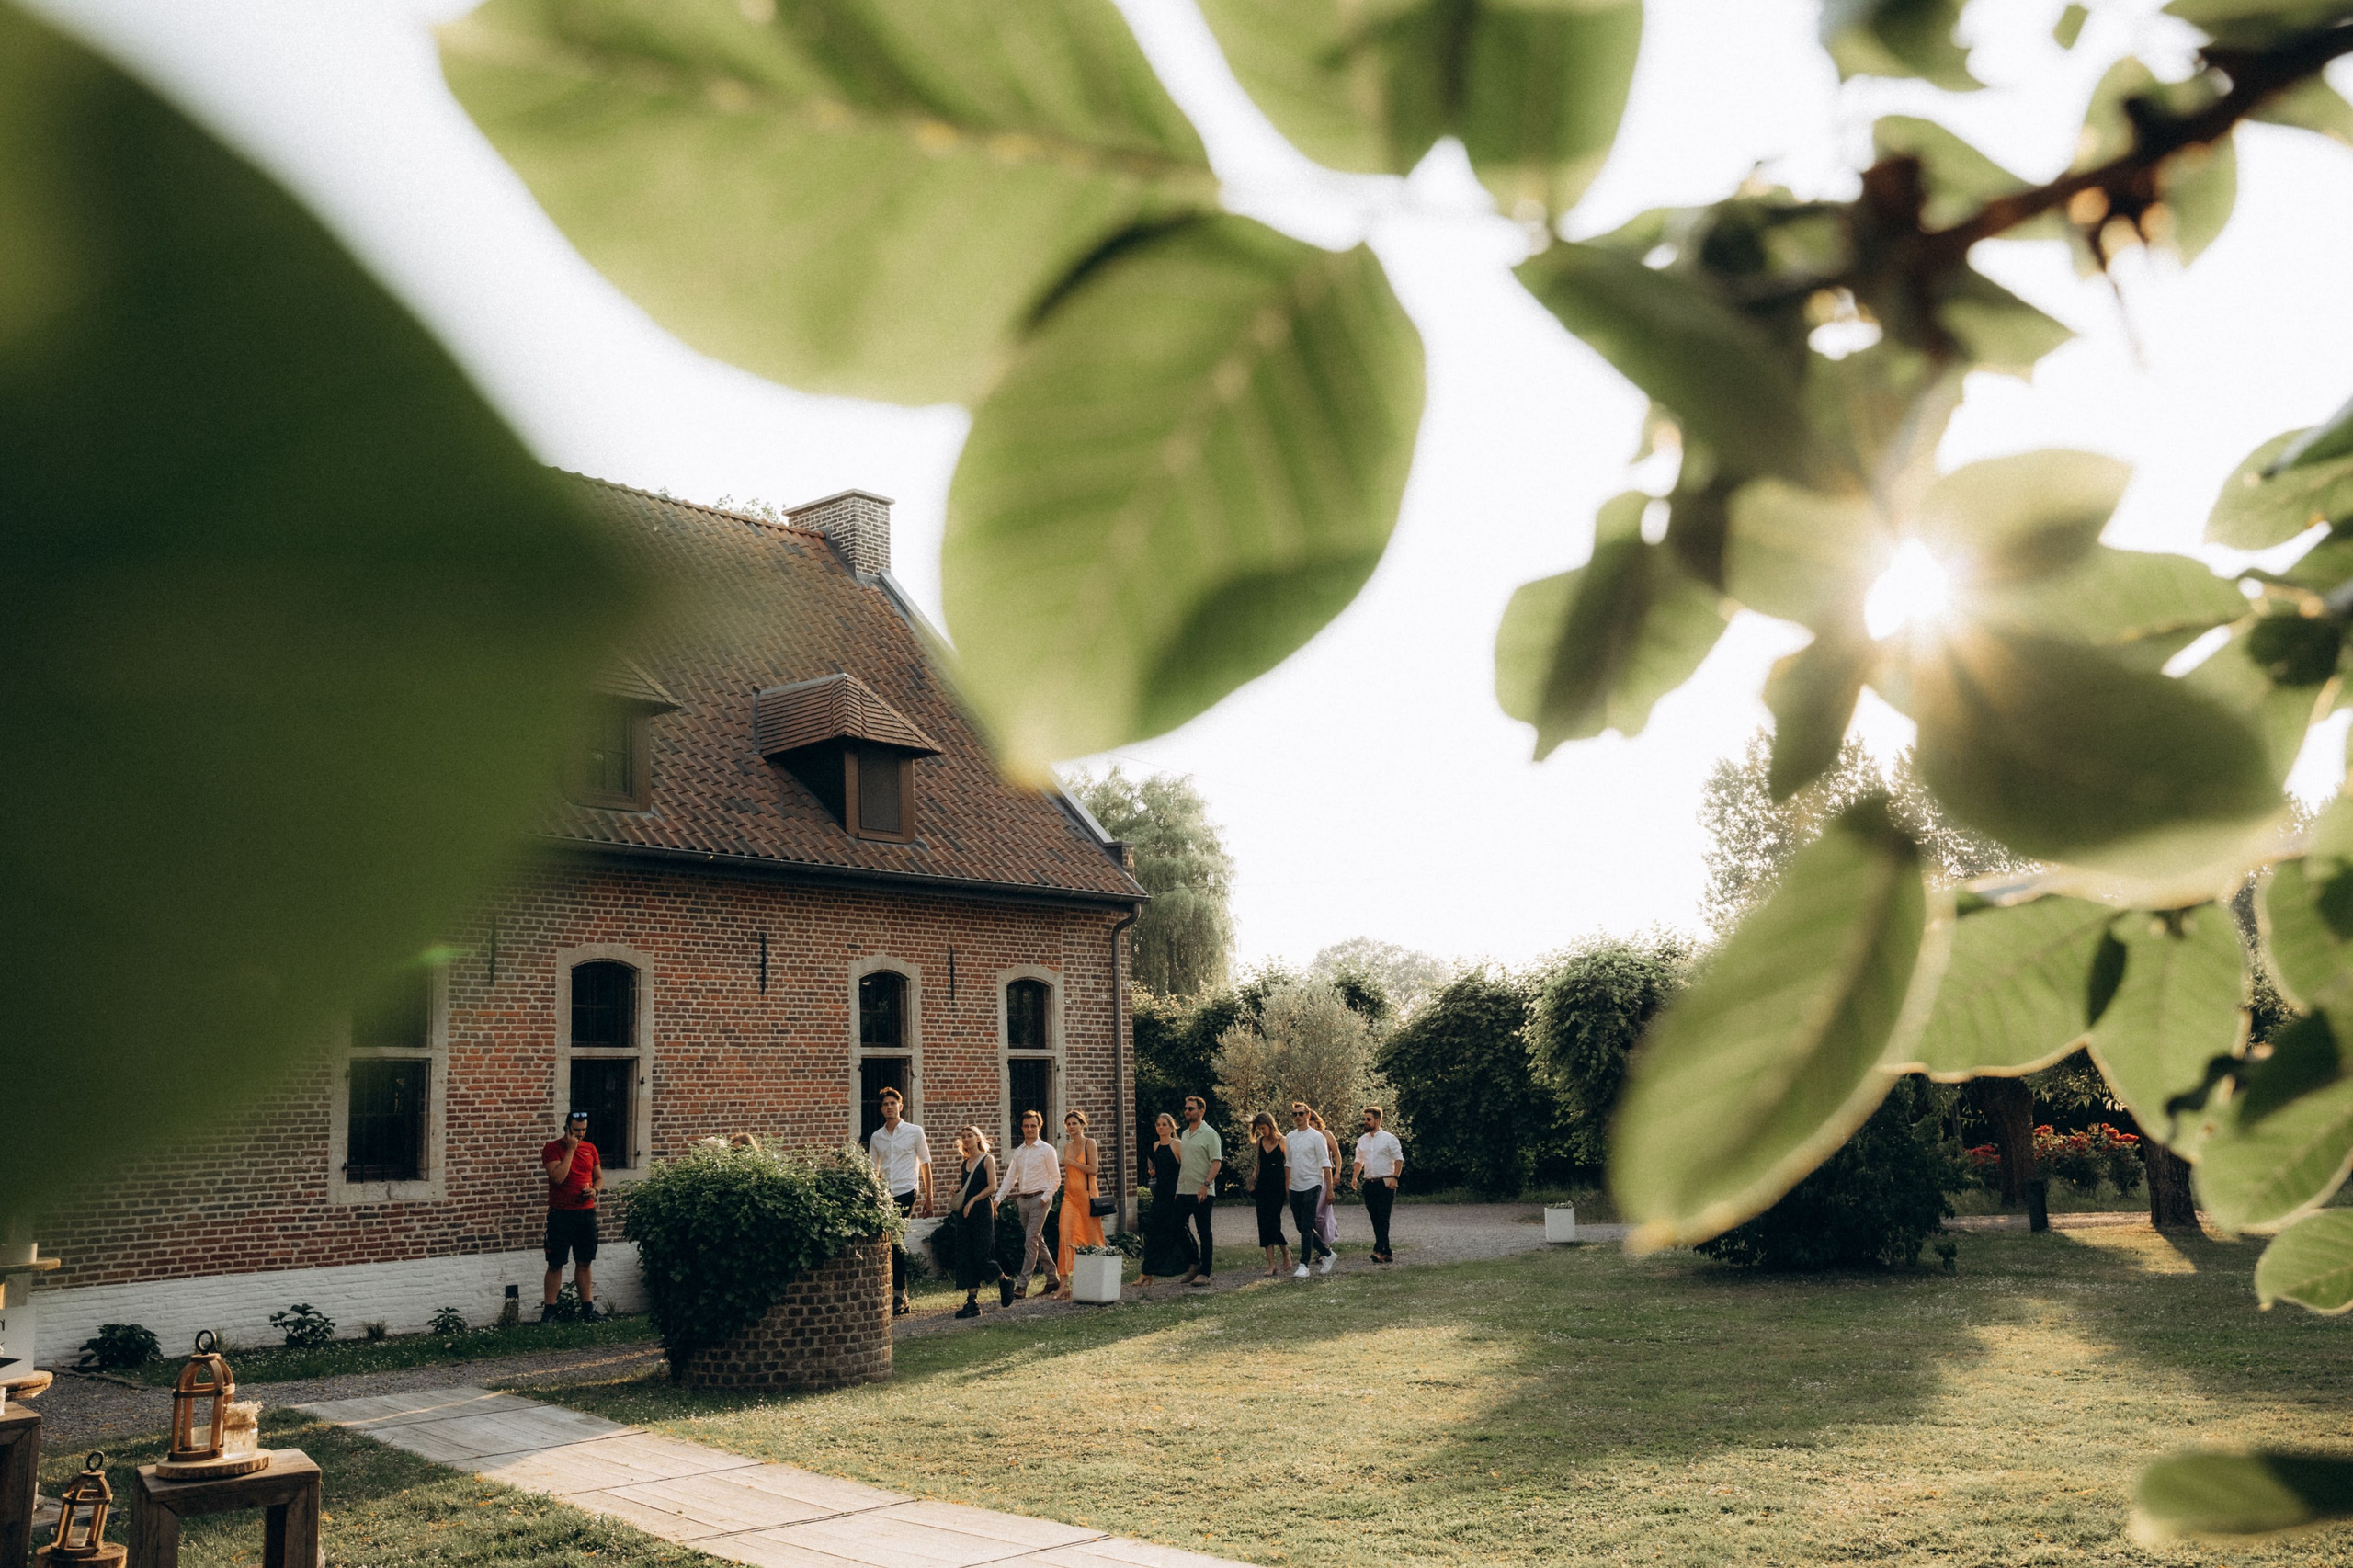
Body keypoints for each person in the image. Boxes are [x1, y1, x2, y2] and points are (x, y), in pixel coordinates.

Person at [867, 1086, 933, 1317]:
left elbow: (925, 1164)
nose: (889, 1107)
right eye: (885, 1104)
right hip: (886, 1195)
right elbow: (872, 1170)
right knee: (890, 1244)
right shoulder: (877, 1136)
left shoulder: (915, 1132)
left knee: (896, 1241)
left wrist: (929, 1197)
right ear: (881, 1109)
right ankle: (898, 1294)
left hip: (906, 1191)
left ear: (900, 1106)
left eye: (892, 1103)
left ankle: (899, 1295)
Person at [540, 1109, 603, 1322]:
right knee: (556, 1262)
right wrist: (570, 1150)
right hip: (561, 1214)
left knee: (585, 1261)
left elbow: (599, 1178)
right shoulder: (552, 1149)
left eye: (584, 1130)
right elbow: (557, 1177)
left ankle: (588, 1310)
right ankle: (549, 1312)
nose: (581, 1134)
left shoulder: (591, 1149)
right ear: (567, 1128)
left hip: (585, 1213)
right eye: (576, 1130)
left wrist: (595, 1190)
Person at [995, 1108, 1063, 1300]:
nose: (1029, 1129)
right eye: (1026, 1126)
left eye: (1033, 1126)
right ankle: (1052, 1279)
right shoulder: (1019, 1152)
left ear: (1039, 1127)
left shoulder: (1047, 1150)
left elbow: (1056, 1178)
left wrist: (1044, 1198)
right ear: (1022, 1128)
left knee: (1030, 1240)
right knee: (1035, 1239)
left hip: (1040, 1199)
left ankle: (1022, 1285)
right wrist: (998, 1198)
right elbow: (1010, 1178)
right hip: (1023, 1200)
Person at [949, 1126, 1005, 1318]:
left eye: (969, 1136)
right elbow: (967, 1187)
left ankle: (1004, 1280)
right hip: (965, 1213)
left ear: (977, 1138)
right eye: (963, 1137)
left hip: (981, 1210)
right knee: (966, 1254)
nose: (966, 1139)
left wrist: (973, 1200)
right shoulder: (964, 1163)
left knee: (982, 1252)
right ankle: (972, 1301)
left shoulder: (987, 1159)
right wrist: (959, 1191)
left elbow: (992, 1186)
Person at [1137, 1112, 1197, 1288]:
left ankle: (1195, 1261)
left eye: (1164, 1124)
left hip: (1176, 1194)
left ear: (1171, 1127)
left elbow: (1187, 1168)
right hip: (1161, 1194)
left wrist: (1182, 1190)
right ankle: (1147, 1272)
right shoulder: (1156, 1146)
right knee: (1152, 1230)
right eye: (1158, 1124)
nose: (1160, 1127)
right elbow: (1158, 1166)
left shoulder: (1177, 1144)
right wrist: (1154, 1172)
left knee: (1178, 1229)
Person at [1053, 1109, 1104, 1301]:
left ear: (1082, 1125)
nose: (1071, 1127)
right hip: (1070, 1197)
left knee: (1091, 1237)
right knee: (1065, 1235)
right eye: (1068, 1124)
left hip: (1087, 1195)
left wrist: (1071, 1162)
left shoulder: (1089, 1143)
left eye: (1074, 1123)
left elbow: (1094, 1169)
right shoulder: (1066, 1146)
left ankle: (1095, 1278)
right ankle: (1064, 1284)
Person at [1175, 1095, 1222, 1286]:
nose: (1187, 1111)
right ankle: (1194, 1262)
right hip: (1184, 1189)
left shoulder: (1210, 1134)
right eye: (1186, 1108)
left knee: (1204, 1231)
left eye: (1191, 1108)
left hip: (1202, 1190)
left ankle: (1205, 1273)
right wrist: (1178, 1188)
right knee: (1176, 1225)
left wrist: (1206, 1184)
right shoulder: (1185, 1135)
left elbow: (1216, 1162)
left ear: (1201, 1111)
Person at [1283, 1102, 1336, 1278]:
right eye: (1294, 1114)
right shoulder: (1290, 1137)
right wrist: (1287, 1185)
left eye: (1300, 1114)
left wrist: (1329, 1189)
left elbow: (1326, 1164)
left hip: (1313, 1183)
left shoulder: (1317, 1137)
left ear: (1307, 1115)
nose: (1297, 1117)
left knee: (1306, 1224)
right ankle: (1327, 1254)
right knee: (1301, 1226)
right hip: (1296, 1185)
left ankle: (1303, 1265)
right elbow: (1288, 1163)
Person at [1351, 1105, 1405, 1264]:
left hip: (1386, 1182)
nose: (1365, 1122)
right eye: (1364, 1119)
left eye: (1368, 1119)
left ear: (1378, 1120)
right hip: (1369, 1183)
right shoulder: (1362, 1140)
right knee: (1375, 1218)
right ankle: (1386, 1252)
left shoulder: (1389, 1138)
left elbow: (1398, 1159)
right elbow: (1358, 1161)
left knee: (1383, 1217)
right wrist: (1354, 1177)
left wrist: (1395, 1177)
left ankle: (1377, 1249)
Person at [1246, 1112, 1292, 1277]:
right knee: (1263, 1224)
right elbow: (1258, 1163)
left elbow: (1289, 1165)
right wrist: (1252, 1179)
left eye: (1263, 1128)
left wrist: (1288, 1186)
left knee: (1273, 1222)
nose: (1261, 1131)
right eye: (1259, 1129)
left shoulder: (1283, 1141)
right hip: (1262, 1186)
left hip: (1278, 1186)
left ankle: (1286, 1252)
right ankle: (1271, 1264)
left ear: (1271, 1125)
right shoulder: (1260, 1142)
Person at [1308, 1107, 1342, 1256]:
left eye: (1312, 1122)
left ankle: (1326, 1245)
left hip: (1325, 1178)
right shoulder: (1305, 1137)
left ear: (1317, 1122)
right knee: (1311, 1215)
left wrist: (1337, 1173)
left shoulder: (1325, 1134)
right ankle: (1321, 1248)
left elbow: (1337, 1154)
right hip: (1310, 1178)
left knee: (1320, 1214)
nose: (1309, 1125)